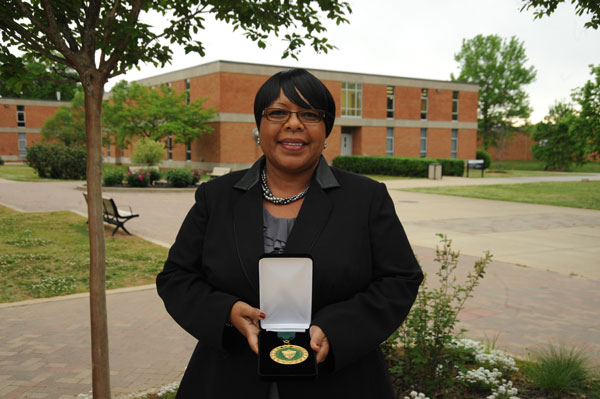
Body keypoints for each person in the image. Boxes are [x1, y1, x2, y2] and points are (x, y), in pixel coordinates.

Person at [156, 68, 423, 399]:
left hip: (339, 381)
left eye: (309, 114)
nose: (293, 124)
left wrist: (337, 328)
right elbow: (177, 277)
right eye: (278, 113)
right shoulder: (217, 197)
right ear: (259, 127)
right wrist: (226, 312)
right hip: (228, 378)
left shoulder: (366, 199)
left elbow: (400, 279)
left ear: (326, 130)